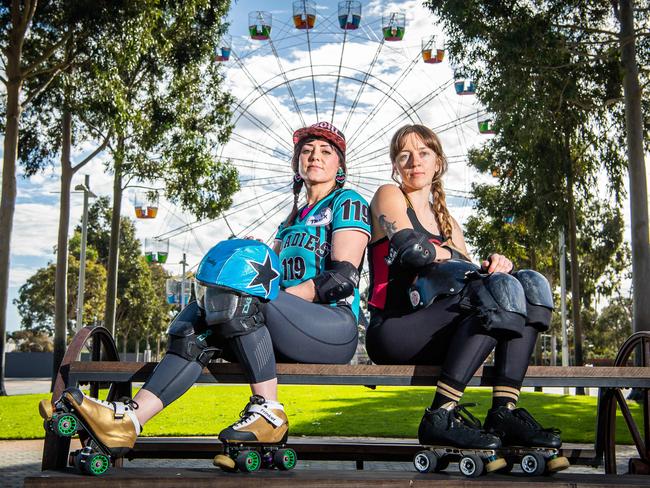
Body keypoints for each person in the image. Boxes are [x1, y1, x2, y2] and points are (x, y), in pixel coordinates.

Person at [41, 121, 370, 457]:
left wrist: (271, 295)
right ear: (297, 164)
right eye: (307, 151)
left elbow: (342, 278)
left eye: (325, 152)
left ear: (339, 166)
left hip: (333, 327)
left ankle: (269, 410)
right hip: (289, 327)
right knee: (198, 320)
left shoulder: (347, 201)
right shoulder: (290, 222)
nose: (315, 156)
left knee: (240, 297)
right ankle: (129, 421)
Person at [366, 124, 561, 452]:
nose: (415, 161)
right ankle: (439, 416)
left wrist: (495, 266)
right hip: (394, 328)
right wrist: (454, 258)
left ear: (437, 163)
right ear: (395, 166)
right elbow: (412, 250)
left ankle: (503, 412)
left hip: (440, 331)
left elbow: (465, 275)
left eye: (424, 153)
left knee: (525, 287)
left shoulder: (448, 224)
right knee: (490, 296)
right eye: (405, 155)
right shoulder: (389, 195)